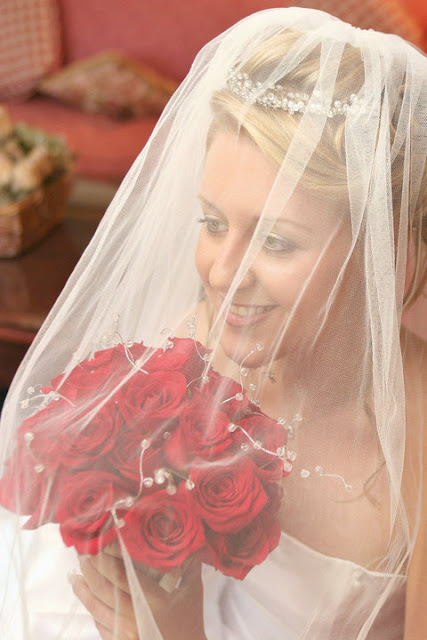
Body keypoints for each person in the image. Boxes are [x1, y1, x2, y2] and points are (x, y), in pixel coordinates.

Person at [0, 7, 426, 640]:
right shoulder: (198, 343)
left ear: (381, 252)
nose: (223, 275)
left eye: (276, 242)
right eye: (213, 223)